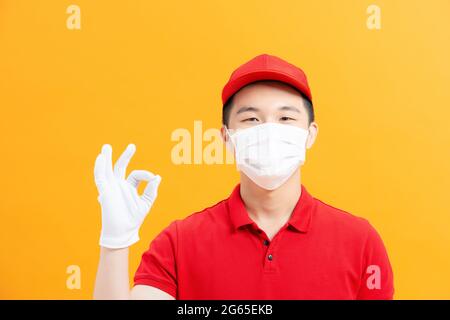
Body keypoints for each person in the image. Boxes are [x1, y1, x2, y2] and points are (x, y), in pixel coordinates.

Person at [93, 53, 394, 300]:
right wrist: (115, 243)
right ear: (226, 137)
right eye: (251, 119)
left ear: (310, 134)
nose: (269, 130)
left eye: (286, 118)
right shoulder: (179, 243)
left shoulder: (360, 241)